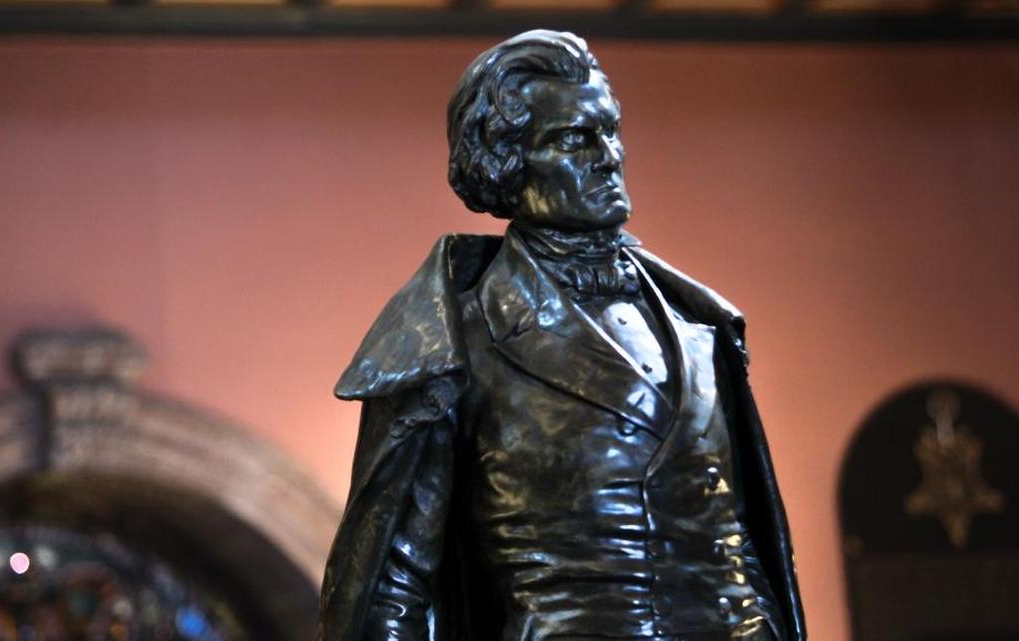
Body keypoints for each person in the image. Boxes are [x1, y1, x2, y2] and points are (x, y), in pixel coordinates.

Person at [319, 30, 806, 641]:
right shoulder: (456, 339)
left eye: (611, 130)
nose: (609, 155)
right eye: (575, 138)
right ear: (506, 162)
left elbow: (740, 546)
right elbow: (394, 587)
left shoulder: (701, 326)